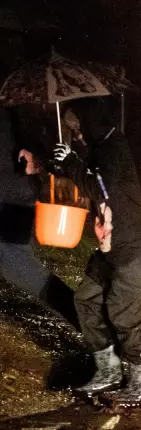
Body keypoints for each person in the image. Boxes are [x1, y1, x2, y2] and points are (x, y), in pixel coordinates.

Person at [49, 97, 141, 407]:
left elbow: (102, 188)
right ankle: (108, 370)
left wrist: (72, 162)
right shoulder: (101, 149)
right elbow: (88, 173)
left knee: (124, 312)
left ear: (92, 123)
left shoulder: (115, 150)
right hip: (110, 245)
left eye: (79, 130)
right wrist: (56, 162)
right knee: (86, 300)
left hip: (132, 247)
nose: (78, 136)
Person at [0, 105, 80, 330]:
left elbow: (47, 151)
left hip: (12, 200)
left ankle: (89, 320)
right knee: (17, 267)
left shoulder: (18, 110)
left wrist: (38, 160)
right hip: (16, 197)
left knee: (19, 267)